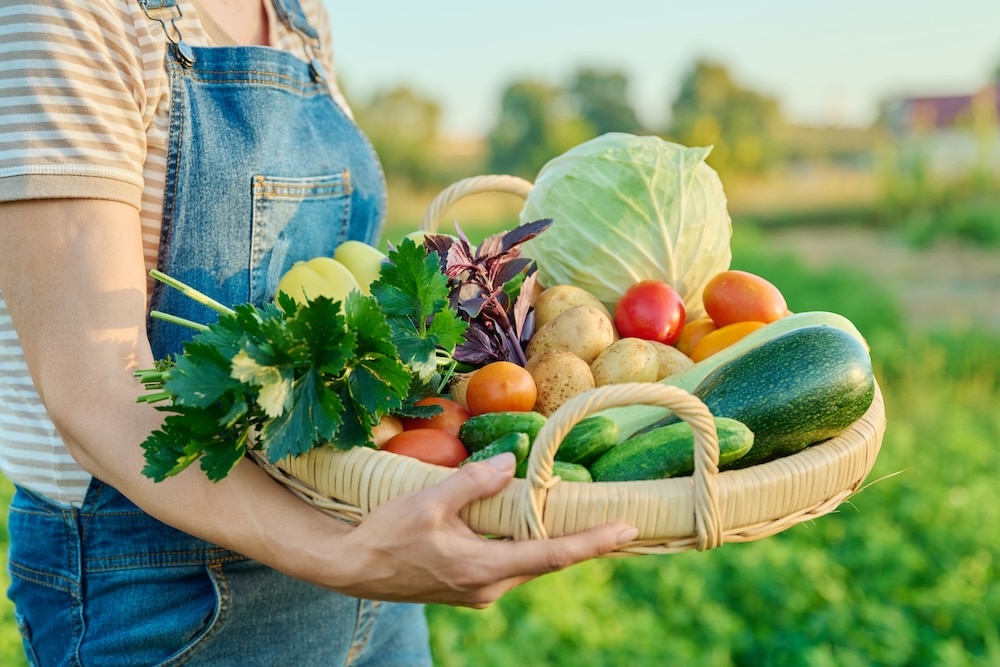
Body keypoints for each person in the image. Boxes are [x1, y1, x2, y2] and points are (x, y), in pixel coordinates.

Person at [0, 0, 637, 664]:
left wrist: (370, 547)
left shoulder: (298, 15)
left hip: (371, 558)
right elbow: (92, 385)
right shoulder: (63, 12)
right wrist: (345, 554)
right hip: (163, 587)